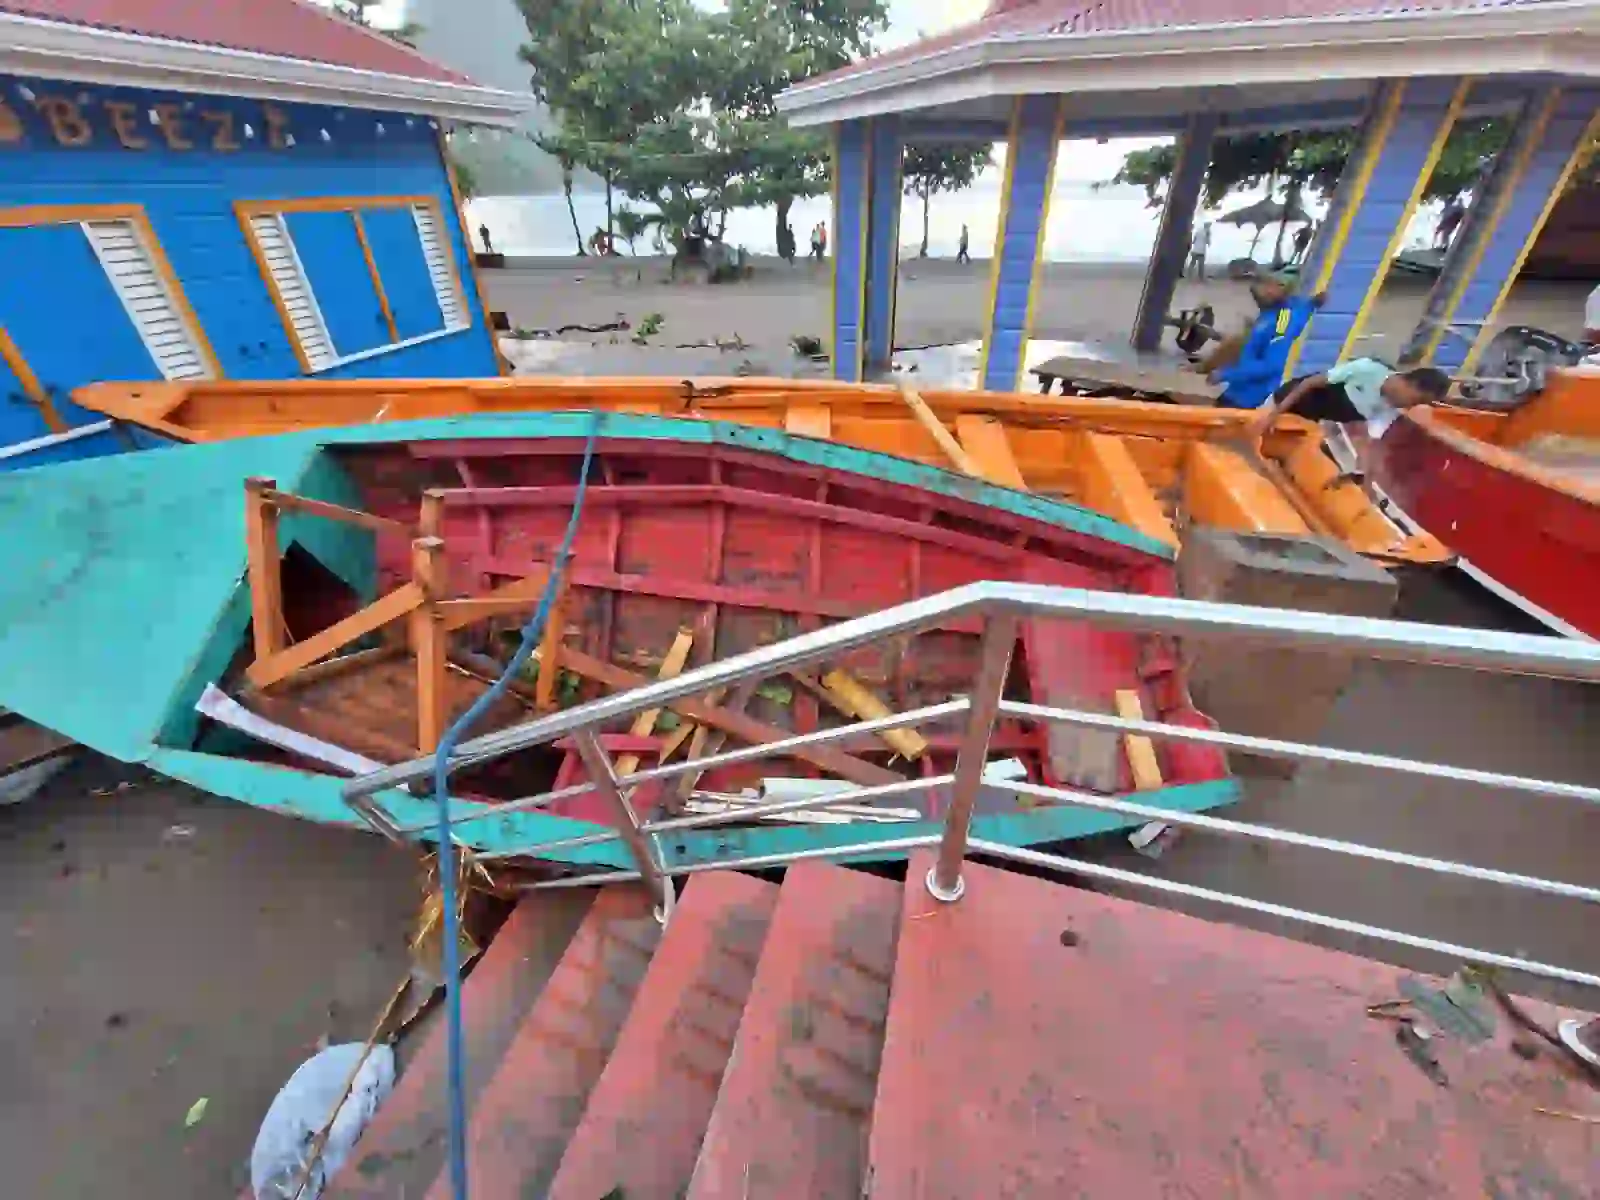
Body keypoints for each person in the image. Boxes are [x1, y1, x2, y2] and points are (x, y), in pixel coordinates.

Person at [1249, 358, 1451, 442]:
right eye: (1416, 400)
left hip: (1311, 418)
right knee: (1254, 432)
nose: (1411, 406)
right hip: (1289, 400)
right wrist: (1274, 414)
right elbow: (1309, 383)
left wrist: (1364, 476)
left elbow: (1366, 439)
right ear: (1411, 384)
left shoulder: (1390, 408)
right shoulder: (1366, 369)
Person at [1210, 271, 1322, 409]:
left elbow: (1271, 365)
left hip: (1250, 396)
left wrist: (1226, 374)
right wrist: (1312, 304)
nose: (1259, 293)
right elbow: (1302, 311)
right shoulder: (1272, 312)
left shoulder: (1282, 320)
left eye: (1268, 286)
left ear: (1282, 287)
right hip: (1239, 388)